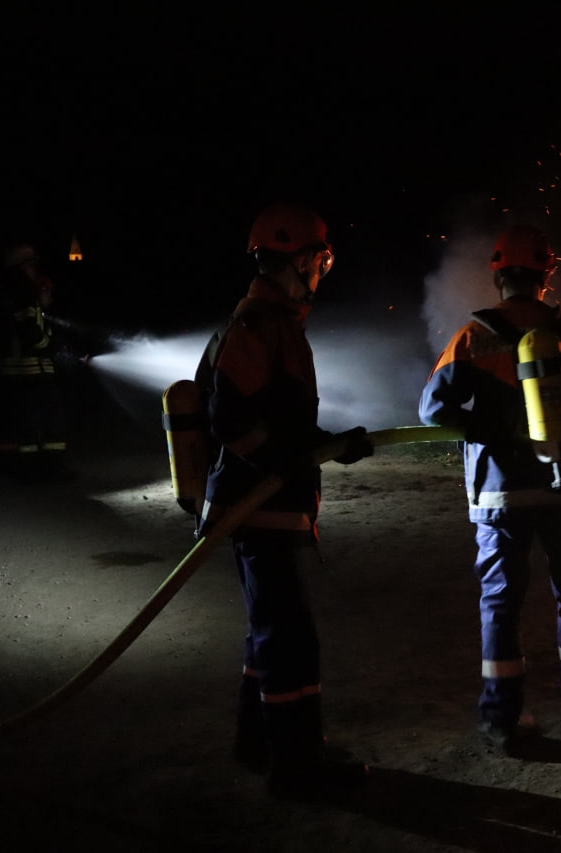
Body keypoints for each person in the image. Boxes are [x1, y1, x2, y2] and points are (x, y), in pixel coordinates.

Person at [197, 202, 373, 800]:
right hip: (256, 508)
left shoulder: (275, 324)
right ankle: (297, 767)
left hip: (261, 505)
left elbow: (279, 422)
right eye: (320, 259)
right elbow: (229, 420)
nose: (322, 271)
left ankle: (260, 741)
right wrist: (282, 466)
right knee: (290, 638)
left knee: (270, 631)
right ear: (298, 260)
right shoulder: (259, 326)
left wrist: (329, 446)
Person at [419, 223, 561, 753]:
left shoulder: (474, 336)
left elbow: (432, 410)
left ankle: (502, 718)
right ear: (546, 276)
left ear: (498, 275)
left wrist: (483, 427)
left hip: (500, 494)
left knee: (501, 603)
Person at [0, 243, 71, 482]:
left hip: (18, 371)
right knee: (47, 421)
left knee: (25, 422)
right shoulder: (24, 295)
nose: (35, 269)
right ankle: (48, 468)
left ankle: (29, 468)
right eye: (30, 264)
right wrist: (51, 345)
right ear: (18, 268)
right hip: (31, 370)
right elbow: (32, 334)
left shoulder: (7, 296)